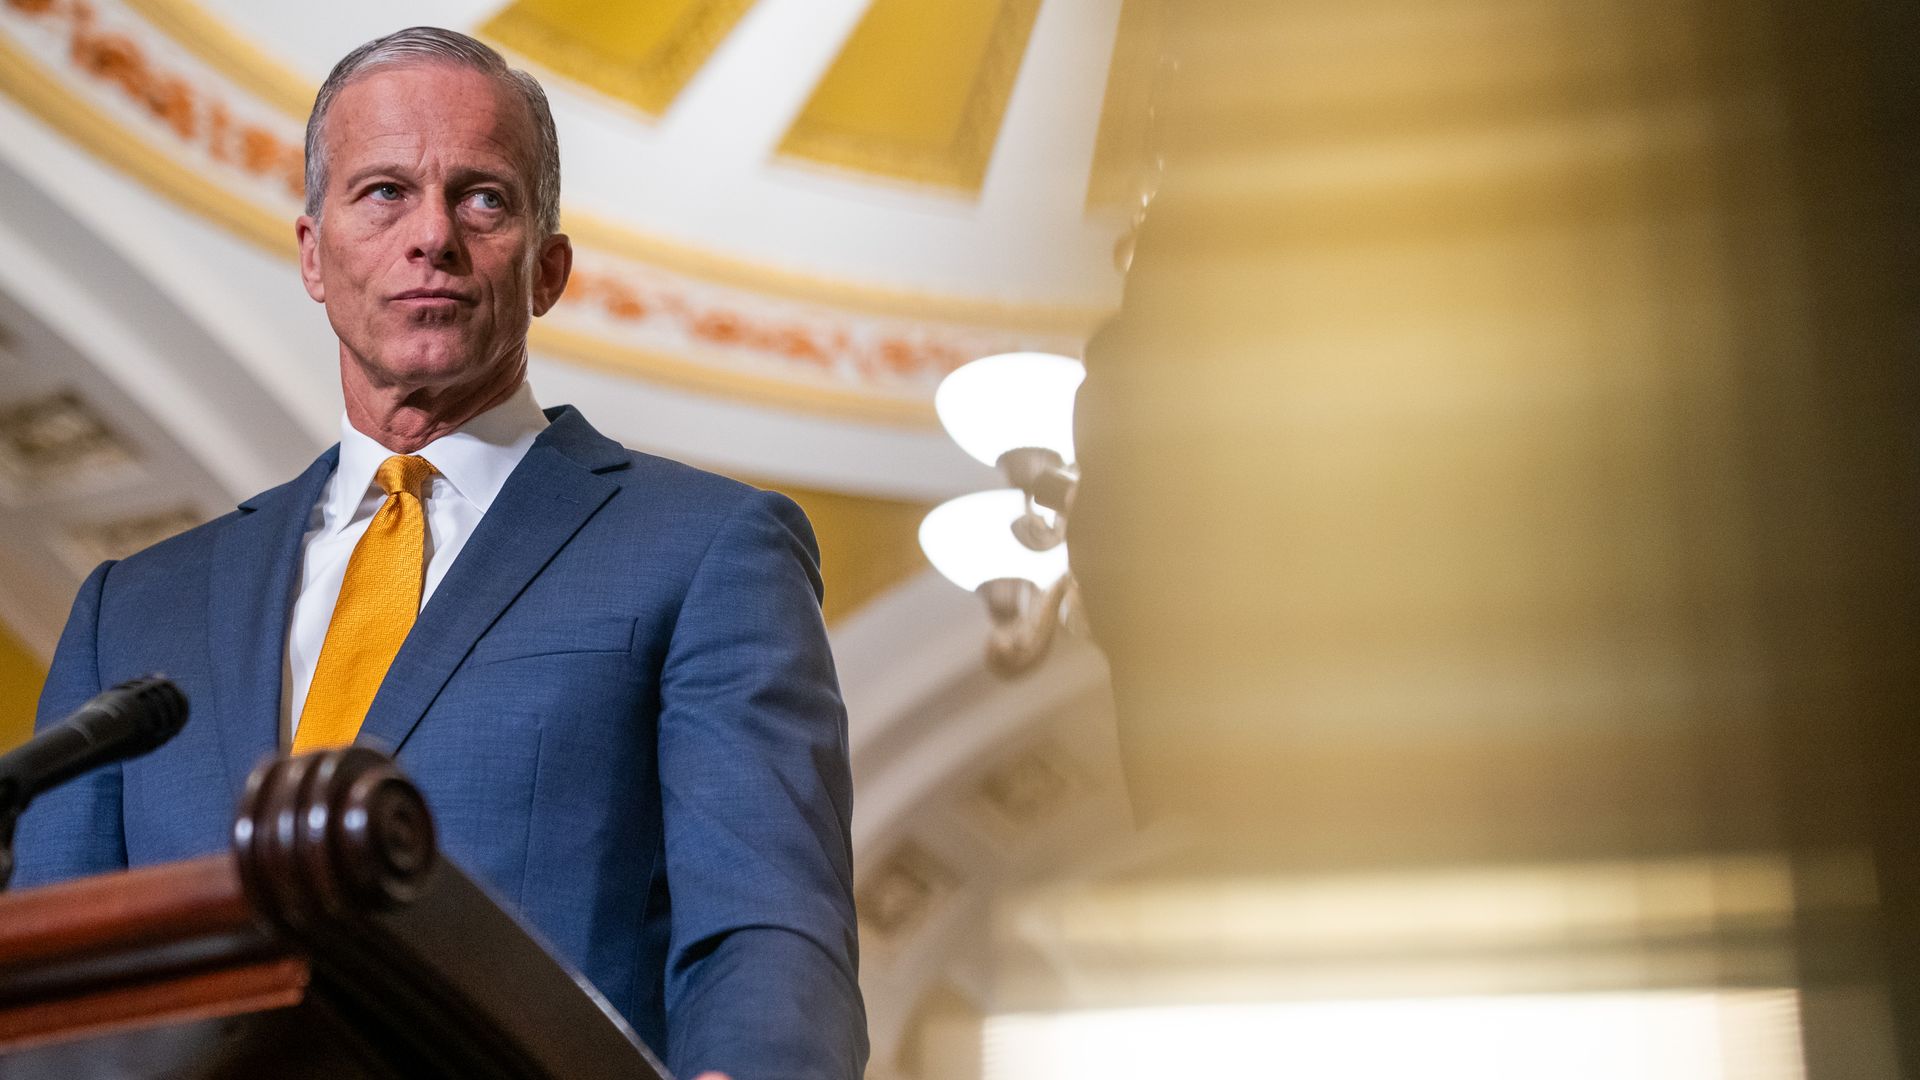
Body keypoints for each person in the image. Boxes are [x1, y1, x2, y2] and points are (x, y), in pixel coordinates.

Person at [13, 27, 866, 1080]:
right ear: (314, 256)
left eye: (484, 198)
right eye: (382, 192)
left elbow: (767, 929)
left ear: (549, 269)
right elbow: (51, 998)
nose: (434, 237)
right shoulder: (131, 609)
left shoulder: (705, 551)